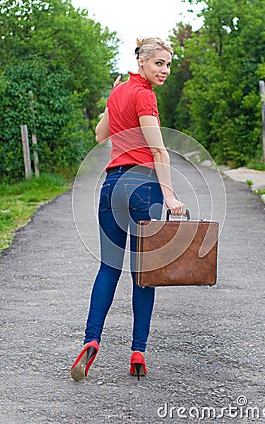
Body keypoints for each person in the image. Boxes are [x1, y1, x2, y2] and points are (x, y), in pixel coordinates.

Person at [71, 37, 186, 381]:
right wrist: (169, 195)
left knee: (108, 268)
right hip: (142, 188)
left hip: (110, 187)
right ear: (142, 62)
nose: (164, 70)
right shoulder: (144, 95)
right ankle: (138, 351)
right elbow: (159, 151)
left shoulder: (119, 92)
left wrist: (110, 100)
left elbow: (99, 135)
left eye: (167, 64)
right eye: (159, 64)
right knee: (144, 274)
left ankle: (91, 341)